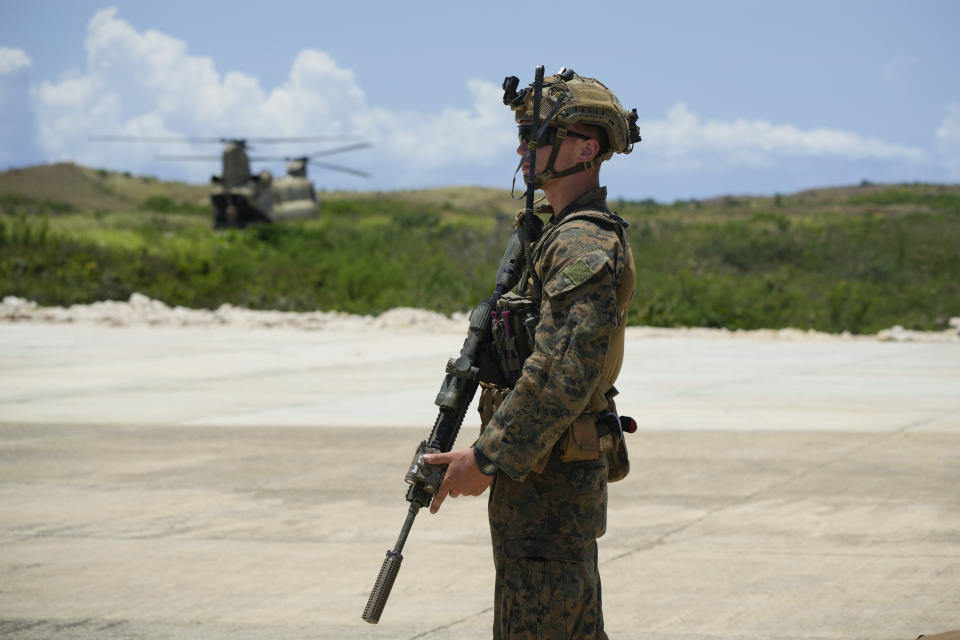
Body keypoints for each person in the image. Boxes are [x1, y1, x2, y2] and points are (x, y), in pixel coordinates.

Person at [423, 69, 640, 639]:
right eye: (523, 134)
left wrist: (487, 457)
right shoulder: (552, 235)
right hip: (539, 483)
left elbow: (563, 374)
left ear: (586, 148)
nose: (523, 148)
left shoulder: (581, 242)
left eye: (538, 134)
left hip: (549, 490)